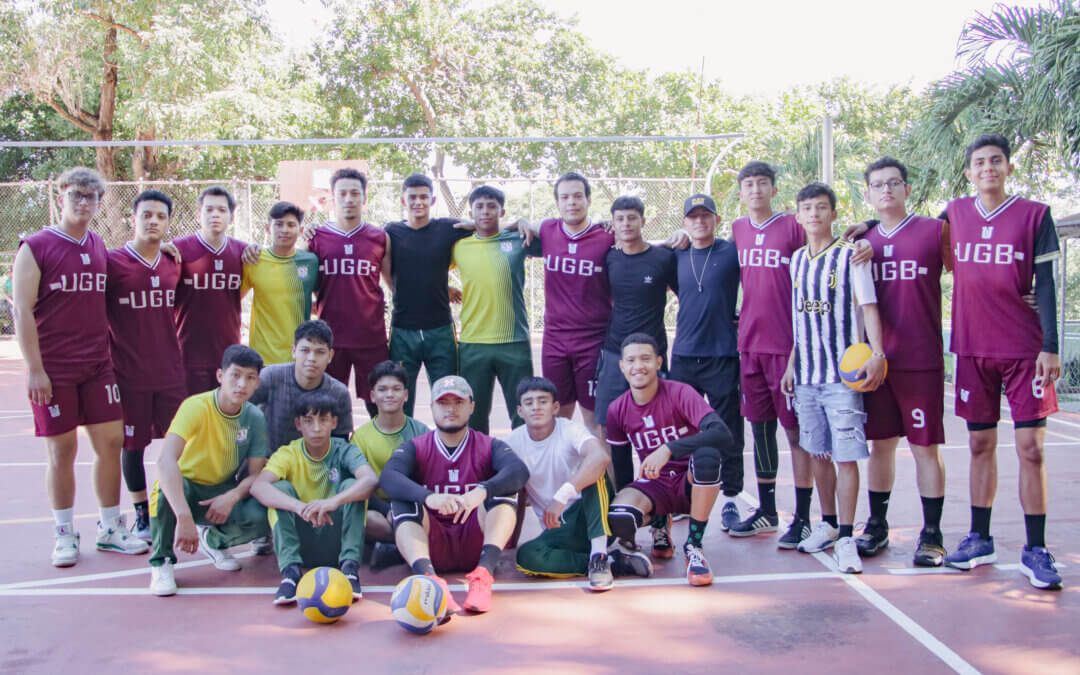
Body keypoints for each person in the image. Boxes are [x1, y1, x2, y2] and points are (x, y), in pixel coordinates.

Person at [938, 134, 1062, 589]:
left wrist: (1050, 345)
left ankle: (1036, 548)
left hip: (1025, 351)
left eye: (996, 161)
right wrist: (868, 226)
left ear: (1008, 168)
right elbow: (913, 236)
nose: (987, 168)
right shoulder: (953, 214)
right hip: (973, 348)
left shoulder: (1035, 215)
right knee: (978, 446)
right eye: (979, 162)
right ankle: (979, 537)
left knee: (1032, 449)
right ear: (969, 172)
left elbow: (1046, 284)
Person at [13, 166, 149, 566]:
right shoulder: (36, 246)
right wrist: (35, 369)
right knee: (62, 450)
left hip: (97, 365)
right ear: (61, 198)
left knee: (110, 443)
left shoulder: (98, 246)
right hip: (54, 369)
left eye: (91, 197)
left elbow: (133, 267)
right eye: (76, 196)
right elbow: (21, 311)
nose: (83, 203)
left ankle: (110, 527)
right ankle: (64, 532)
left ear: (99, 202)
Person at [850, 157, 950, 567]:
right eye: (878, 185)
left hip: (921, 359)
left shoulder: (934, 230)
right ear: (869, 194)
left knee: (926, 448)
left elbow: (973, 274)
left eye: (894, 183)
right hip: (878, 363)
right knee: (881, 446)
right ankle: (877, 524)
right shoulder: (862, 241)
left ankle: (932, 534)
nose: (886, 190)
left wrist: (1022, 296)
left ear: (907, 189)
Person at [781, 182, 885, 575]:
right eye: (806, 208)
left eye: (820, 208)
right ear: (798, 216)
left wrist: (877, 353)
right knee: (816, 452)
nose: (813, 214)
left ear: (833, 214)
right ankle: (825, 523)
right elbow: (800, 320)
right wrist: (792, 363)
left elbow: (869, 307)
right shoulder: (795, 261)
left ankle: (846, 535)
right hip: (806, 375)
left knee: (845, 457)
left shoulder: (851, 257)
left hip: (842, 378)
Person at [380, 375, 529, 614]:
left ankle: (484, 574)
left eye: (458, 402)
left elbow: (519, 471)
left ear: (471, 406)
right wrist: (428, 496)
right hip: (432, 541)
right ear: (432, 408)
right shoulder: (417, 446)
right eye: (443, 403)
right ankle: (429, 579)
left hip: (475, 540)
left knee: (504, 491)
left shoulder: (487, 445)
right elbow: (389, 477)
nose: (450, 409)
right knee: (402, 501)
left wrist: (481, 490)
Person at [728, 161, 816, 547]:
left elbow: (827, 249)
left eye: (763, 183)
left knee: (795, 433)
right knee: (760, 429)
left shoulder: (794, 226)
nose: (756, 190)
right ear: (741, 192)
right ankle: (766, 511)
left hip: (788, 348)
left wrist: (861, 233)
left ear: (774, 190)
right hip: (750, 345)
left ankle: (804, 516)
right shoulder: (737, 229)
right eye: (749, 184)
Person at [606, 333, 736, 586]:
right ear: (622, 366)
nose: (638, 366)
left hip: (691, 481)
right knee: (620, 515)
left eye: (645, 359)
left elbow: (722, 434)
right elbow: (622, 470)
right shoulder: (617, 409)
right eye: (631, 360)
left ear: (658, 362)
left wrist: (669, 448)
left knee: (707, 456)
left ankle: (694, 547)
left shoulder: (680, 393)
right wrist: (627, 525)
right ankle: (658, 524)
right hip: (656, 484)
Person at [147, 345, 271, 596]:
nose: (241, 384)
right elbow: (166, 461)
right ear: (220, 376)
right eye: (235, 375)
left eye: (249, 378)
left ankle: (213, 541)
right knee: (163, 489)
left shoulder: (254, 417)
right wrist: (183, 515)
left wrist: (232, 496)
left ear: (257, 382)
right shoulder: (196, 406)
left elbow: (256, 474)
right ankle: (162, 562)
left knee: (262, 515)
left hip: (221, 490)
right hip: (187, 487)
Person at [509, 377, 652, 590]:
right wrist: (511, 538)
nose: (536, 407)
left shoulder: (569, 430)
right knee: (526, 557)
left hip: (592, 514)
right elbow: (516, 490)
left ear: (556, 407)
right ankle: (613, 562)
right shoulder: (513, 443)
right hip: (557, 530)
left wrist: (562, 496)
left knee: (595, 470)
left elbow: (600, 457)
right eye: (529, 403)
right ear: (520, 411)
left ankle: (599, 556)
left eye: (543, 401)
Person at [105, 189, 187, 541]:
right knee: (133, 446)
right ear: (133, 218)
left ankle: (176, 508)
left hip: (170, 370)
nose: (153, 221)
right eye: (146, 215)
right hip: (128, 372)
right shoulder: (112, 262)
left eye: (160, 216)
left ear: (168, 222)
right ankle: (142, 516)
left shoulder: (174, 262)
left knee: (181, 444)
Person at [251, 391, 378, 604]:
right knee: (279, 489)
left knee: (352, 486)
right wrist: (300, 507)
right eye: (309, 421)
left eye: (323, 420)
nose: (317, 428)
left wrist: (332, 502)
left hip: (334, 541)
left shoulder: (345, 450)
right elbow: (258, 486)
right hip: (302, 541)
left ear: (334, 422)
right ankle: (290, 574)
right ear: (298, 424)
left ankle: (349, 569)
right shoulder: (288, 454)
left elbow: (369, 480)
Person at [670, 194, 745, 535]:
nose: (699, 222)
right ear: (684, 222)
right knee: (681, 427)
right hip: (684, 354)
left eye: (706, 216)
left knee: (726, 427)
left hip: (722, 354)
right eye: (693, 217)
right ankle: (682, 495)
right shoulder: (677, 253)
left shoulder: (732, 251)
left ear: (717, 219)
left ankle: (730, 496)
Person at [452, 185, 539, 433]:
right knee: (474, 414)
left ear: (502, 212)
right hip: (473, 343)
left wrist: (522, 222)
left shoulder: (518, 239)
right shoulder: (459, 246)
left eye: (492, 206)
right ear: (472, 212)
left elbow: (557, 235)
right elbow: (428, 264)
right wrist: (445, 287)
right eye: (479, 206)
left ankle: (523, 466)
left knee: (523, 410)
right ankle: (479, 467)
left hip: (514, 341)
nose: (485, 211)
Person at [535, 172, 614, 438]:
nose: (572, 202)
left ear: (589, 200)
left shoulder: (607, 236)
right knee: (556, 418)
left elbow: (643, 246)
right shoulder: (547, 229)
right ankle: (563, 480)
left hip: (593, 341)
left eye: (578, 196)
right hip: (554, 340)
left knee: (595, 421)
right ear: (557, 202)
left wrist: (681, 233)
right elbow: (511, 228)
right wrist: (521, 221)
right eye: (565, 197)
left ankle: (603, 482)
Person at [307, 169, 391, 418]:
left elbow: (392, 283)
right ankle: (334, 455)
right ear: (332, 199)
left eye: (355, 193)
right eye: (342, 193)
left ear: (364, 199)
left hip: (370, 336)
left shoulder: (379, 237)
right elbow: (302, 285)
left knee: (378, 404)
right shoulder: (316, 237)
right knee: (328, 405)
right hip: (330, 338)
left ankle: (381, 455)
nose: (349, 198)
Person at [385, 174, 470, 417]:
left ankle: (447, 448)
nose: (418, 202)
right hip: (403, 329)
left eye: (423, 197)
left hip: (440, 329)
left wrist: (519, 224)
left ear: (432, 200)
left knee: (447, 395)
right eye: (412, 197)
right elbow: (389, 273)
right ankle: (407, 449)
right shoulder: (392, 231)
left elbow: (482, 225)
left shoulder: (447, 228)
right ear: (403, 200)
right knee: (401, 395)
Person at [351, 360, 429, 567]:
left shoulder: (422, 432)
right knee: (362, 519)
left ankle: (395, 546)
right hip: (381, 509)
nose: (389, 395)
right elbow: (360, 485)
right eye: (382, 389)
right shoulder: (361, 437)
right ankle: (408, 543)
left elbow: (429, 479)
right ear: (372, 396)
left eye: (396, 389)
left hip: (416, 505)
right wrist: (389, 510)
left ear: (406, 395)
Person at [173, 186, 248, 395]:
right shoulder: (178, 249)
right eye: (209, 209)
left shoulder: (243, 252)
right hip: (187, 353)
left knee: (224, 418)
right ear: (199, 214)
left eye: (222, 210)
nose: (215, 215)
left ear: (231, 216)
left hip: (227, 353)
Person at [249, 319, 353, 458]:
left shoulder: (339, 393)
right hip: (267, 462)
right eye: (305, 350)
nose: (311, 358)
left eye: (320, 352)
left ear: (330, 356)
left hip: (315, 467)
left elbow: (340, 443)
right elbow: (240, 412)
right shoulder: (271, 377)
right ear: (294, 351)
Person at [242, 201, 320, 365]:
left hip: (298, 356)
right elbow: (234, 299)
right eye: (279, 224)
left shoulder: (311, 261)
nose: (284, 230)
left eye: (291, 225)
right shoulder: (254, 260)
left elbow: (322, 299)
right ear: (268, 228)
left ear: (300, 231)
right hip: (262, 357)